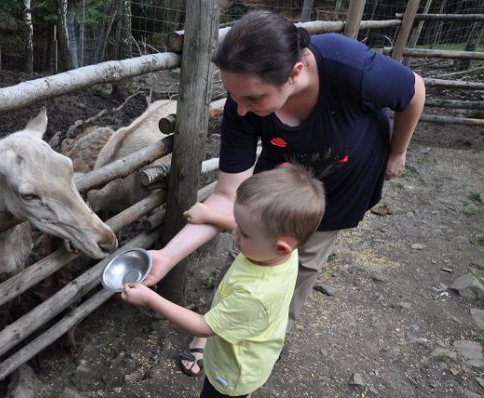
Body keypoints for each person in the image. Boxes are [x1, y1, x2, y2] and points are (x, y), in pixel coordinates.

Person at [144, 10, 426, 377]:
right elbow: (228, 195)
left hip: (342, 189)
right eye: (233, 95)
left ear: (295, 73)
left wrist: (398, 151)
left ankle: (268, 337)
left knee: (301, 267)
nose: (241, 109)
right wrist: (166, 256)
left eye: (253, 98)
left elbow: (414, 89)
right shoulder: (241, 106)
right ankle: (213, 333)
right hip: (279, 188)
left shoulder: (352, 68)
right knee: (246, 251)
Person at [122, 165, 326, 397]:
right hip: (253, 349)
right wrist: (210, 216)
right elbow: (250, 227)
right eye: (237, 226)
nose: (235, 234)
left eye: (244, 234)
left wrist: (150, 298)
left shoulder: (255, 296)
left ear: (280, 247)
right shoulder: (283, 252)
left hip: (232, 371)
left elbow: (203, 327)